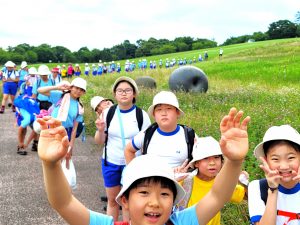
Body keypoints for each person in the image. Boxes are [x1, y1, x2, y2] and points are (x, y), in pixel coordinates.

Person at [37, 107, 251, 225]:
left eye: (165, 194)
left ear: (175, 200)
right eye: (144, 192)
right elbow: (63, 203)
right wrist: (50, 164)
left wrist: (234, 161)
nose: (155, 202)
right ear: (124, 201)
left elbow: (217, 196)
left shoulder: (181, 222)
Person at [94, 76, 151, 221]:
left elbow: (147, 144)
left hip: (132, 164)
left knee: (128, 204)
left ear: (134, 94)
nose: (123, 93)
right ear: (114, 95)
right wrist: (100, 130)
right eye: (119, 90)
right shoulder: (108, 113)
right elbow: (100, 141)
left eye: (127, 90)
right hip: (110, 162)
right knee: (112, 201)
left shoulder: (141, 116)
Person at [177, 136, 248, 225]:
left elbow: (245, 195)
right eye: (206, 158)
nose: (212, 163)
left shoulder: (222, 184)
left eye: (216, 157)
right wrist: (172, 180)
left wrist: (242, 181)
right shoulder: (184, 182)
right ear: (197, 163)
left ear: (222, 162)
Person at [124, 91, 195, 168]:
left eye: (169, 108)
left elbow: (202, 161)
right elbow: (128, 150)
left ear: (177, 112)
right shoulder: (147, 134)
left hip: (180, 180)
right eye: (159, 109)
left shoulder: (189, 135)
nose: (164, 113)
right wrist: (134, 173)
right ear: (154, 114)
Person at [248, 125, 300, 225]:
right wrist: (273, 189)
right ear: (266, 160)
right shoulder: (257, 187)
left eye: (291, 157)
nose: (284, 166)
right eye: (275, 159)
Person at [37, 77, 86, 164]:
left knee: (62, 158)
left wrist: (71, 146)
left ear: (83, 92)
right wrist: (57, 87)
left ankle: (58, 175)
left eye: (81, 90)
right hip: (52, 130)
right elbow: (40, 90)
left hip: (66, 133)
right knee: (50, 157)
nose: (78, 91)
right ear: (71, 87)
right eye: (76, 88)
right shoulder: (60, 96)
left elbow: (74, 129)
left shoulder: (80, 107)